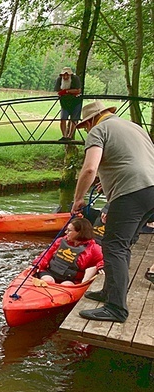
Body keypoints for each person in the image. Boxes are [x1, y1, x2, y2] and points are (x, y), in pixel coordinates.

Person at [71, 100, 154, 322]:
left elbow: (89, 168)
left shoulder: (98, 130)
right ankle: (110, 292)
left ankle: (116, 308)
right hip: (151, 191)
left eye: (85, 126)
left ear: (90, 120)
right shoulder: (134, 126)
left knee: (114, 245)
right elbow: (136, 160)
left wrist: (78, 198)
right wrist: (107, 180)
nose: (86, 130)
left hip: (131, 193)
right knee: (122, 244)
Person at [34, 218, 103, 285]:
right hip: (50, 273)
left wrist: (100, 266)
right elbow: (45, 255)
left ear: (79, 233)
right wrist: (37, 264)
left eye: (69, 230)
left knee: (67, 284)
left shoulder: (94, 249)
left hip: (70, 280)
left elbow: (106, 259)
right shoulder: (60, 241)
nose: (66, 232)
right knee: (48, 280)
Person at [54, 67, 83, 141]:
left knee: (74, 119)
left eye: (67, 75)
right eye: (64, 75)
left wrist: (66, 91)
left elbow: (78, 90)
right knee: (63, 118)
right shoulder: (59, 80)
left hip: (76, 102)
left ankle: (70, 136)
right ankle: (64, 136)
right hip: (65, 102)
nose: (65, 77)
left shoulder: (75, 79)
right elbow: (58, 90)